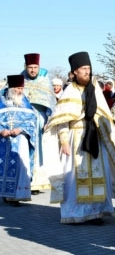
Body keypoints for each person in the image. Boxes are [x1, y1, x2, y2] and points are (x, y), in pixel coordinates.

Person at [42, 51, 115, 224]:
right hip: (76, 140)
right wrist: (63, 140)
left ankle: (97, 212)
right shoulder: (70, 91)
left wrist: (106, 135)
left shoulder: (95, 89)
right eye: (83, 69)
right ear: (75, 72)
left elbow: (104, 115)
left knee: (99, 174)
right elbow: (61, 120)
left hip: (95, 137)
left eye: (88, 68)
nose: (87, 72)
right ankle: (77, 213)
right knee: (75, 176)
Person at [20, 53, 56, 193]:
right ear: (26, 67)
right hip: (24, 121)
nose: (33, 70)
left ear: (39, 67)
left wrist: (49, 119)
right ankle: (25, 181)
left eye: (35, 67)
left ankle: (36, 182)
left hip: (40, 121)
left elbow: (51, 103)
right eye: (30, 67)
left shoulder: (44, 80)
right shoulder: (21, 80)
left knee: (39, 152)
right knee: (25, 150)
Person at [0, 75, 37, 206]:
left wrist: (21, 128)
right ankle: (4, 194)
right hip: (3, 141)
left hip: (20, 141)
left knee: (21, 167)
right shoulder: (0, 101)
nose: (20, 91)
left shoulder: (25, 103)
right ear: (10, 88)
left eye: (22, 88)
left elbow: (33, 121)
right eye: (17, 88)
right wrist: (1, 130)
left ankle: (16, 196)